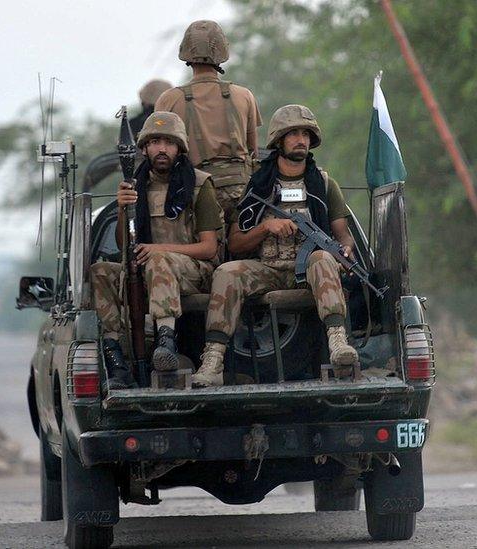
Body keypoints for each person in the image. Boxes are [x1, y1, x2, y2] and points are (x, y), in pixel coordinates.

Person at [192, 105, 357, 388]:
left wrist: (345, 251)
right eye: (292, 133)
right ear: (278, 141)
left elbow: (343, 235)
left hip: (308, 273)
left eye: (305, 134)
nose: (300, 140)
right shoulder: (257, 186)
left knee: (322, 258)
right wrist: (265, 227)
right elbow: (236, 242)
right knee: (227, 272)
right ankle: (213, 361)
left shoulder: (324, 184)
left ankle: (338, 343)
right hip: (267, 269)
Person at [90, 111, 223, 387]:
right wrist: (123, 208)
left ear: (180, 148)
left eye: (169, 142)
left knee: (158, 259)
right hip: (147, 271)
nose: (161, 149)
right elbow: (124, 246)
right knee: (101, 270)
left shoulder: (199, 185)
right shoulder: (135, 187)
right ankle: (115, 358)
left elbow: (209, 248)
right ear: (144, 148)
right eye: (155, 142)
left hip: (193, 273)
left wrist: (157, 249)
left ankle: (166, 341)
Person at [154, 19, 262, 227]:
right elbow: (253, 152)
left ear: (185, 52)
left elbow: (158, 154)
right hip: (242, 192)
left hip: (193, 190)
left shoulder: (169, 99)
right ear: (222, 51)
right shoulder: (244, 96)